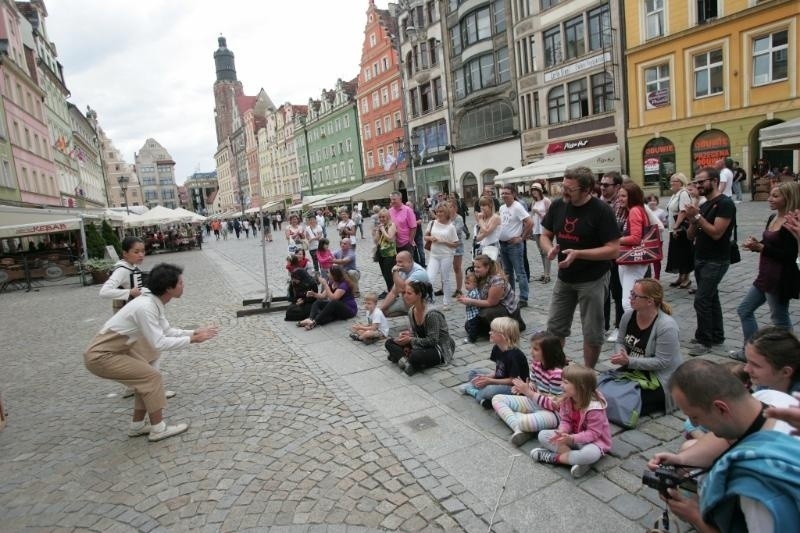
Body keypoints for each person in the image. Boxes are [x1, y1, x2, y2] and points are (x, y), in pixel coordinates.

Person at [647, 359, 800, 533]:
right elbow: (725, 439)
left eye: (695, 417)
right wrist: (681, 460)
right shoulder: (769, 399)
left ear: (721, 408)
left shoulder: (756, 488)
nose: (694, 425)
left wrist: (695, 517)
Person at [84, 263, 218, 442]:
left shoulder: (153, 301)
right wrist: (193, 339)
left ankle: (137, 426)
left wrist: (194, 332)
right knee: (151, 377)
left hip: (117, 350)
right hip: (102, 355)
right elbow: (159, 342)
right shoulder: (146, 306)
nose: (183, 285)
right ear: (168, 288)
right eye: (180, 283)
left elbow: (167, 330)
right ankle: (158, 429)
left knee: (145, 379)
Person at [540, 166, 621, 368]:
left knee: (592, 331)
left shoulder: (601, 211)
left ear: (586, 189)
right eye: (563, 186)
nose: (563, 191)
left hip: (593, 279)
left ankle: (587, 373)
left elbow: (613, 250)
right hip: (565, 278)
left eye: (570, 188)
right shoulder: (558, 206)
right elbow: (545, 234)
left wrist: (579, 254)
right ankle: (556, 371)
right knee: (554, 329)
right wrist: (549, 249)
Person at [735, 182, 800, 357]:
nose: (770, 199)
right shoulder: (773, 217)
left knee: (780, 320)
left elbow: (789, 256)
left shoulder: (791, 223)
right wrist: (757, 243)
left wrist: (761, 248)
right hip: (765, 275)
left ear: (788, 198)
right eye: (770, 195)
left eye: (775, 196)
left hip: (779, 278)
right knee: (744, 310)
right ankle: (749, 352)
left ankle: (791, 357)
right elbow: (770, 244)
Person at [607, 279, 682, 416]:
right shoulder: (628, 316)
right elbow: (619, 341)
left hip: (658, 379)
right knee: (598, 390)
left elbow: (662, 362)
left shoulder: (667, 326)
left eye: (635, 295)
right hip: (634, 371)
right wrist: (621, 354)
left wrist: (629, 361)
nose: (631, 298)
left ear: (650, 301)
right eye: (631, 293)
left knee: (621, 404)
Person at [684, 167, 737, 356]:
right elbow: (691, 236)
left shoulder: (725, 204)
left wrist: (697, 216)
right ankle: (716, 334)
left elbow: (716, 233)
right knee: (712, 298)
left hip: (717, 259)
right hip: (700, 256)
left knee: (702, 299)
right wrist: (692, 218)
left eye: (701, 182)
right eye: (696, 182)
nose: (698, 185)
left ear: (714, 181)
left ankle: (704, 340)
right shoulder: (705, 205)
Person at [530, 364, 612, 478]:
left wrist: (573, 439)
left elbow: (594, 433)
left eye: (566, 382)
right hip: (571, 438)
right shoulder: (567, 398)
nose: (561, 385)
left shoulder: (595, 408)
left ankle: (555, 458)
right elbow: (566, 420)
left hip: (593, 442)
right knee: (543, 435)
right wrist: (562, 431)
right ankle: (575, 460)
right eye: (562, 381)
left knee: (590, 454)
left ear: (581, 387)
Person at [492, 331, 567, 446]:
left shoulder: (557, 374)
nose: (531, 352)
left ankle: (522, 424)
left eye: (536, 349)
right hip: (535, 402)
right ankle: (521, 430)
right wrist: (524, 388)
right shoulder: (536, 364)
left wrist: (527, 392)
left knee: (522, 421)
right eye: (532, 348)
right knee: (497, 399)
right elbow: (533, 384)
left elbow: (554, 404)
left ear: (548, 352)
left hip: (554, 413)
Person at [384, 280, 455, 376]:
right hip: (421, 344)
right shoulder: (411, 311)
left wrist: (410, 340)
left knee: (415, 356)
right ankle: (406, 361)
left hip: (439, 347)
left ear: (419, 295)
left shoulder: (431, 314)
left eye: (409, 293)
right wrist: (407, 335)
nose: (405, 296)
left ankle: (404, 358)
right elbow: (416, 334)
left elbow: (432, 341)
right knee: (389, 342)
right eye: (404, 293)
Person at [459, 317, 529, 408]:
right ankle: (483, 394)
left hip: (514, 388)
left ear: (504, 335)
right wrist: (486, 377)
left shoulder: (515, 355)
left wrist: (490, 381)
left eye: (493, 331)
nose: (489, 332)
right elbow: (499, 371)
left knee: (490, 390)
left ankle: (476, 393)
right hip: (500, 380)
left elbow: (513, 380)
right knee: (473, 373)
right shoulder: (497, 348)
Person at [617, 182, 653, 313]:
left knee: (628, 303)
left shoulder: (634, 211)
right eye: (619, 196)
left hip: (633, 261)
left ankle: (634, 331)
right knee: (632, 299)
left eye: (623, 196)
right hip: (633, 261)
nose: (620, 199)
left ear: (632, 197)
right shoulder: (639, 209)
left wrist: (616, 240)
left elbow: (636, 238)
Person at [600, 171, 626, 341]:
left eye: (606, 185)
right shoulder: (601, 203)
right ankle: (603, 326)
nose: (602, 188)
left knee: (618, 291)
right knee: (604, 293)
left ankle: (619, 326)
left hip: (618, 255)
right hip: (602, 255)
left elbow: (620, 230)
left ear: (617, 186)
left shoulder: (622, 204)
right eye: (601, 184)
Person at [498, 186, 532, 308]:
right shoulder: (502, 207)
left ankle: (523, 297)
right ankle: (510, 295)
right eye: (502, 193)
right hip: (503, 244)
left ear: (513, 194)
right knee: (507, 272)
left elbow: (530, 222)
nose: (504, 195)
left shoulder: (517, 206)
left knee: (520, 272)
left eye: (507, 193)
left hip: (514, 245)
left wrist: (522, 237)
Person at [297, 266, 358, 330]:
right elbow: (323, 296)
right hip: (337, 308)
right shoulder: (331, 282)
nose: (327, 274)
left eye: (328, 273)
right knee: (318, 303)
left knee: (333, 303)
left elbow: (334, 298)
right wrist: (313, 294)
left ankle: (314, 322)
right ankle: (310, 319)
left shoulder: (344, 285)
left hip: (348, 309)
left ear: (334, 275)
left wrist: (325, 284)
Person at [744, 327, 800, 394]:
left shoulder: (795, 401)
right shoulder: (766, 383)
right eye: (747, 361)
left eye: (756, 365)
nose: (746, 369)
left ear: (785, 372)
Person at [423, 203, 458, 308]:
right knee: (429, 278)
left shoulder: (451, 227)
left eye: (441, 211)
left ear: (446, 212)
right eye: (437, 211)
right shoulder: (432, 223)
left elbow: (455, 243)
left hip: (446, 255)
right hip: (434, 254)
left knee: (445, 279)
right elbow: (425, 237)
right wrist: (430, 238)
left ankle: (447, 302)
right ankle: (430, 301)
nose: (439, 213)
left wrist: (443, 241)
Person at [665, 173, 694, 289]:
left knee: (684, 253)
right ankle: (681, 276)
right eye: (671, 181)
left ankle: (686, 278)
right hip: (674, 229)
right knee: (678, 253)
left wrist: (676, 227)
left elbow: (683, 211)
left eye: (675, 181)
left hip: (681, 229)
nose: (672, 183)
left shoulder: (683, 193)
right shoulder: (675, 194)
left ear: (681, 182)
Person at [380, 251, 430, 317]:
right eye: (397, 262)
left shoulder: (419, 273)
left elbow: (403, 288)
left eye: (400, 262)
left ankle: (416, 317)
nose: (397, 265)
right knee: (384, 311)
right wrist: (380, 310)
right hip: (407, 300)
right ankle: (410, 313)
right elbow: (393, 292)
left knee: (407, 294)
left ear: (410, 261)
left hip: (423, 302)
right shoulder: (402, 270)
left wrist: (395, 272)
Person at [373, 208, 398, 297]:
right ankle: (390, 290)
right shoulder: (381, 226)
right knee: (384, 274)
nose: (381, 219)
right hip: (381, 253)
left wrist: (383, 230)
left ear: (388, 217)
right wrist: (377, 231)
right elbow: (376, 241)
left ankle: (393, 293)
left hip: (390, 254)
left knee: (389, 274)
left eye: (383, 217)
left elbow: (390, 238)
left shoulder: (392, 225)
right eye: (380, 217)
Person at [530, 183, 552, 283]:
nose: (534, 191)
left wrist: (538, 212)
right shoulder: (533, 202)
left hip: (544, 229)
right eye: (532, 190)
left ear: (540, 190)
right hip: (536, 229)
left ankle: (548, 275)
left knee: (546, 252)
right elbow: (532, 217)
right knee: (541, 252)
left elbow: (550, 217)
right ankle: (544, 273)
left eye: (535, 189)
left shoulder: (546, 201)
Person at [447, 198, 467, 297]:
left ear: (455, 208)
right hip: (446, 247)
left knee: (457, 267)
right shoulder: (445, 218)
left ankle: (459, 289)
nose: (448, 209)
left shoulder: (458, 218)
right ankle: (444, 288)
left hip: (457, 246)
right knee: (445, 267)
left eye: (450, 206)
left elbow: (457, 230)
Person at [388, 191, 417, 256]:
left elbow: (413, 227)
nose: (392, 201)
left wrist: (410, 241)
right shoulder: (390, 211)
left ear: (400, 199)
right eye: (391, 199)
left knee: (407, 264)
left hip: (406, 243)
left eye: (394, 199)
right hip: (394, 244)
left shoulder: (408, 210)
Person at [646, 194, 667, 280]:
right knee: (647, 258)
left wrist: (658, 226)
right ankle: (648, 277)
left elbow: (665, 224)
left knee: (656, 259)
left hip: (658, 238)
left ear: (657, 202)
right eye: (650, 200)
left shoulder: (661, 212)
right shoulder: (645, 211)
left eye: (654, 200)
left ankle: (657, 277)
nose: (652, 202)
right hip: (647, 239)